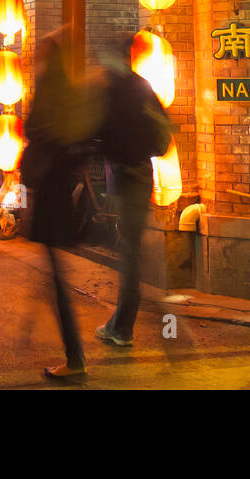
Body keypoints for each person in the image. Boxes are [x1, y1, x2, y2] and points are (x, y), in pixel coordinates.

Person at [23, 32, 101, 381]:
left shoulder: (49, 86)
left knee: (55, 275)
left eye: (41, 49)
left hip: (51, 192)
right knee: (53, 271)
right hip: (62, 189)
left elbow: (34, 128)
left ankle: (75, 358)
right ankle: (69, 351)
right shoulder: (70, 89)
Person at [95, 33, 171, 348]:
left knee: (129, 251)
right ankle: (120, 324)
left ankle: (122, 326)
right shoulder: (141, 87)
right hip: (141, 172)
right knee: (130, 247)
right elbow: (162, 132)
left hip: (127, 176)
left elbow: (98, 132)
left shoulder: (113, 91)